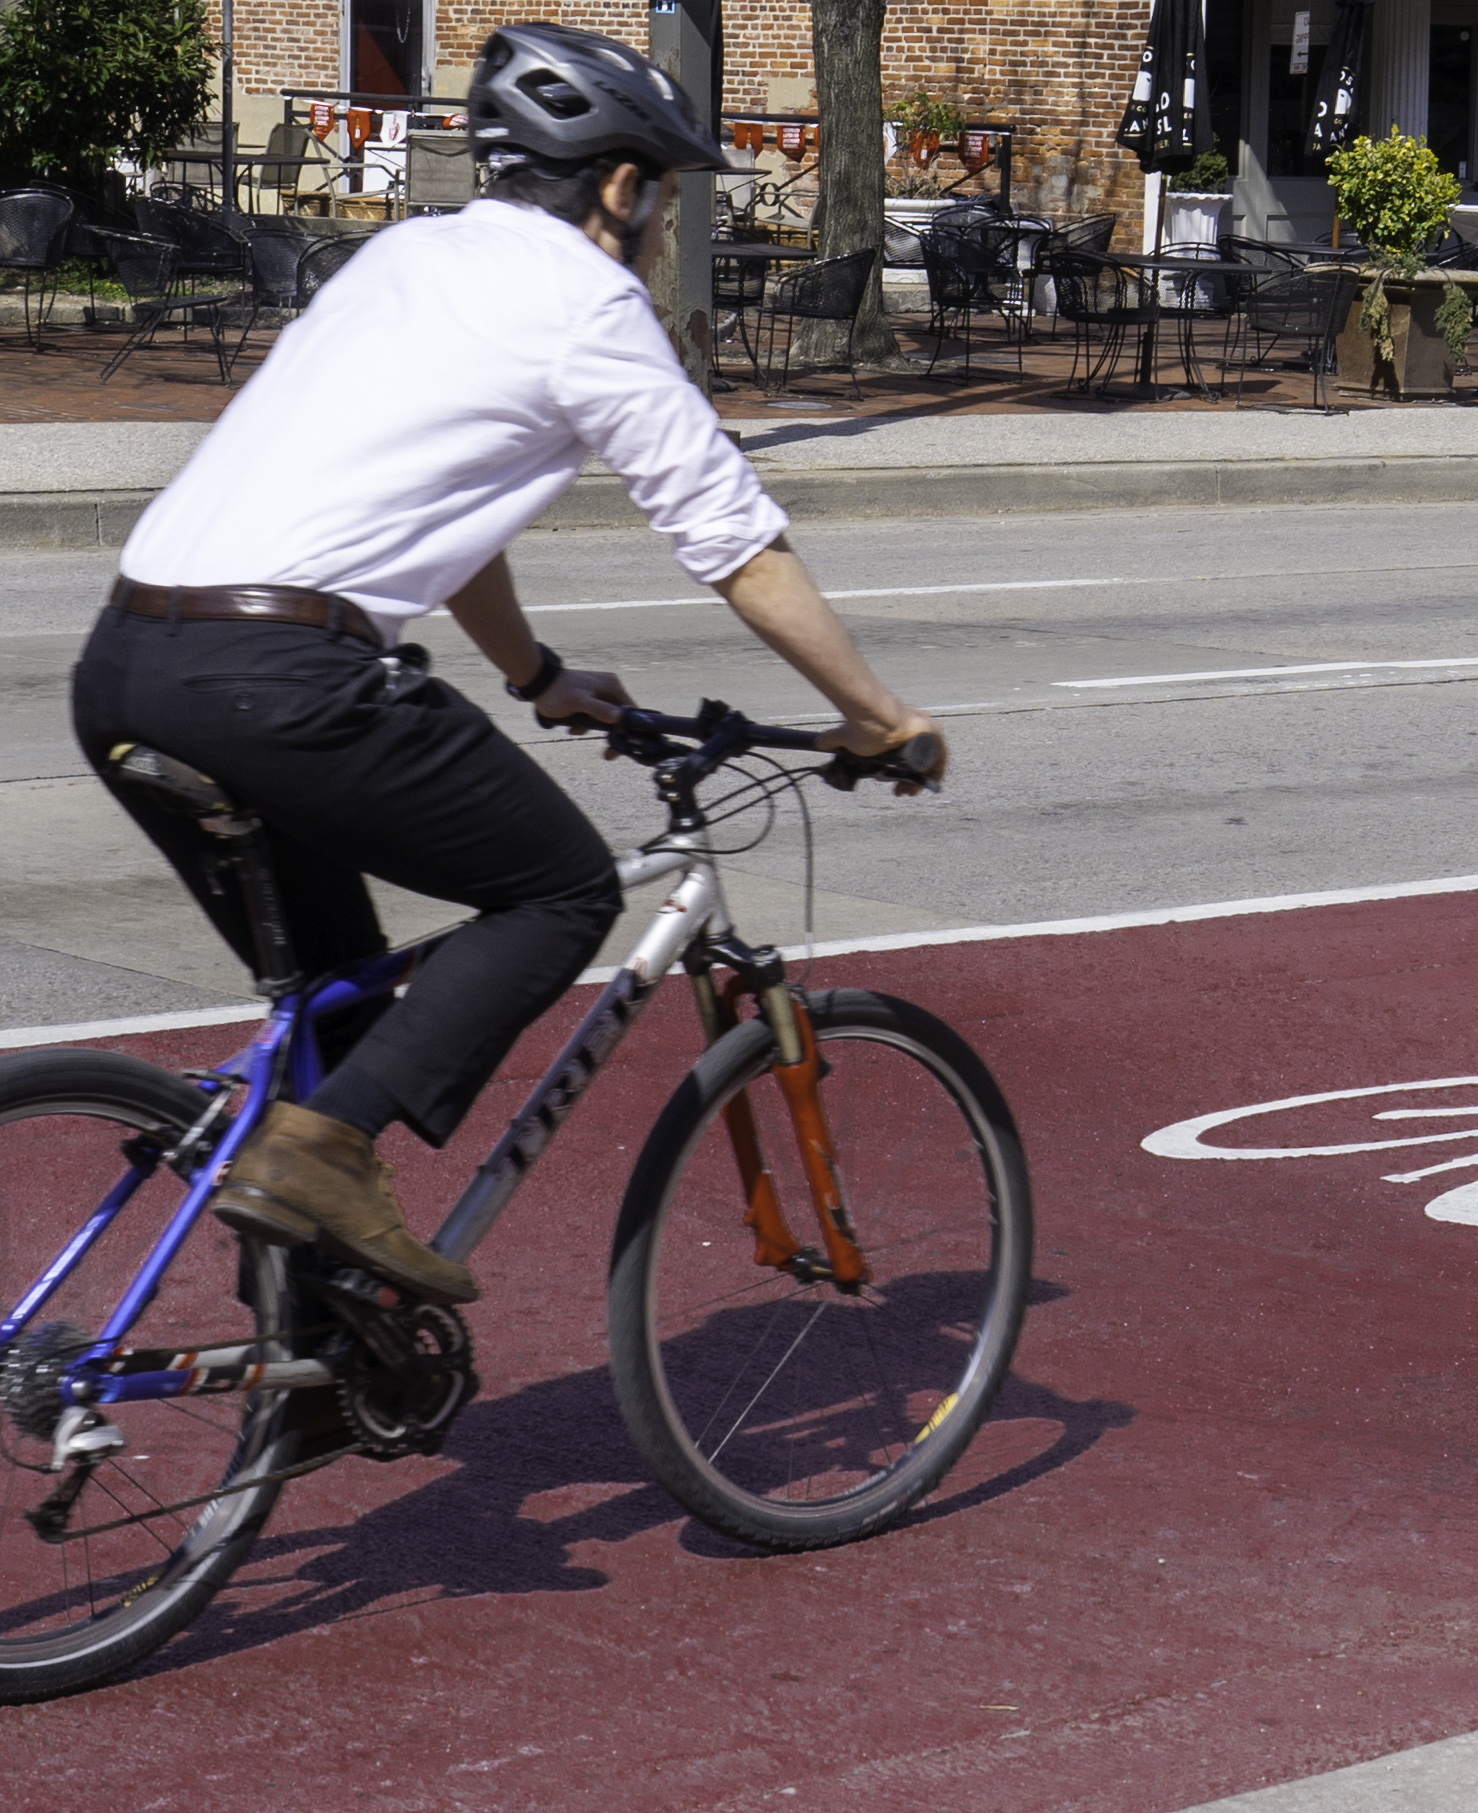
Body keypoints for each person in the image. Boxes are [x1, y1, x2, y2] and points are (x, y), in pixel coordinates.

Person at [70, 22, 943, 1307]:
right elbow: (734, 543)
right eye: (662, 194)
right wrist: (876, 714)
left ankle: (302, 1361)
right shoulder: (587, 305)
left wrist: (536, 674)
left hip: (129, 662)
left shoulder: (410, 255)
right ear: (617, 183)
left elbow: (449, 510)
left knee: (340, 1015)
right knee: (559, 893)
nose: (658, 229)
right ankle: (317, 1160)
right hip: (282, 681)